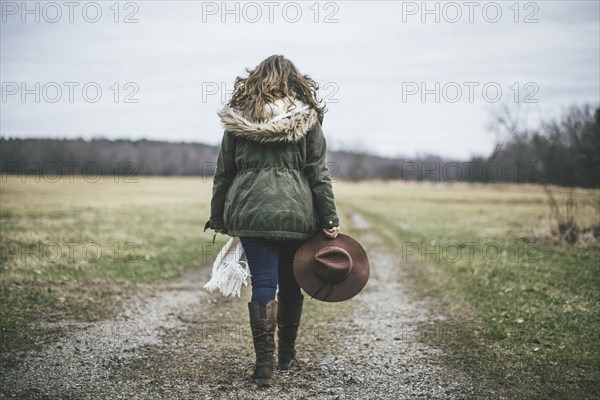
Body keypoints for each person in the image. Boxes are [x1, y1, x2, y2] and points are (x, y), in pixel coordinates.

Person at [207, 55, 340, 386]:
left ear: (254, 82)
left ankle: (264, 367)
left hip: (251, 212)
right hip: (297, 214)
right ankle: (285, 357)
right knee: (293, 282)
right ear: (295, 82)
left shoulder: (238, 121)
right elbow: (318, 174)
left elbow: (224, 172)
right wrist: (330, 217)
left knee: (263, 282)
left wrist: (218, 216)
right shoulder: (308, 120)